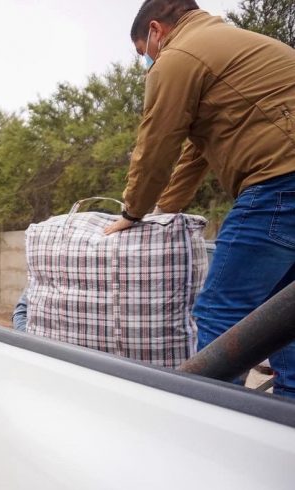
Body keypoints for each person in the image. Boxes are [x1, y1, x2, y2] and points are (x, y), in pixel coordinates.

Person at [105, 0, 295, 397]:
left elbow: (157, 143)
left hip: (280, 185)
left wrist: (132, 211)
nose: (148, 62)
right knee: (282, 312)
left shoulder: (178, 58)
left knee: (221, 313)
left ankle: (204, 424)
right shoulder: (227, 45)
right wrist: (163, 212)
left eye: (144, 53)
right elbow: (195, 153)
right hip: (286, 180)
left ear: (156, 31)